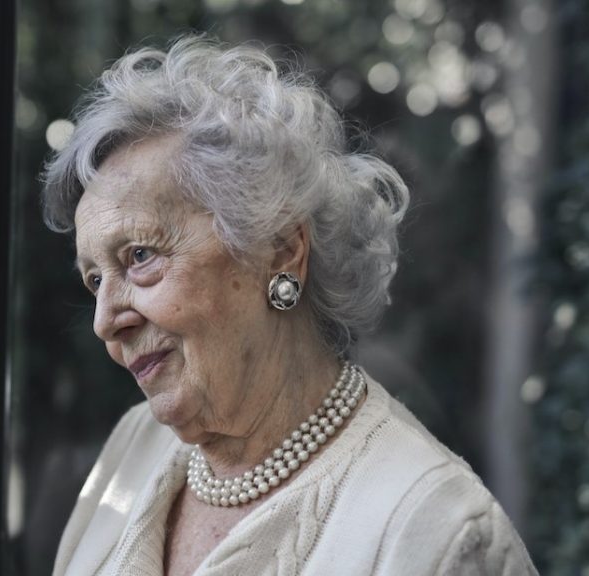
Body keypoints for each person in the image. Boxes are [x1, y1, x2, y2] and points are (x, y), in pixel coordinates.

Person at [42, 36, 536, 576]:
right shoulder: (132, 449)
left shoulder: (441, 533)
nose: (105, 321)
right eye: (95, 280)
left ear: (281, 251)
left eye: (140, 256)